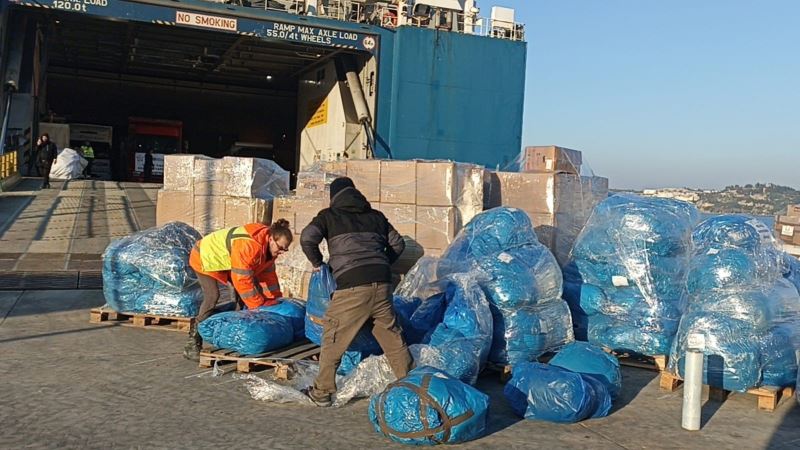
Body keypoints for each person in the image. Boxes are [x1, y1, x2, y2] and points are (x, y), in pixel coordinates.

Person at [300, 177, 412, 407]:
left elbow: (306, 238)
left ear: (334, 196)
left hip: (352, 285)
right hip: (382, 284)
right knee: (392, 337)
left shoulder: (328, 216)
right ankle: (412, 386)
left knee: (333, 335)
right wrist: (381, 262)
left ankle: (322, 392)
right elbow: (398, 244)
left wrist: (318, 262)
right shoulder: (376, 217)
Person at [182, 219, 294, 361]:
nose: (282, 252)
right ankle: (193, 343)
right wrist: (258, 305)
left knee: (242, 297)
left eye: (285, 249)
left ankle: (235, 334)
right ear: (271, 239)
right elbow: (242, 280)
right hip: (204, 256)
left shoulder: (269, 251)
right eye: (281, 247)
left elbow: (268, 277)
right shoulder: (249, 246)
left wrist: (275, 299)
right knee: (212, 297)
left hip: (226, 260)